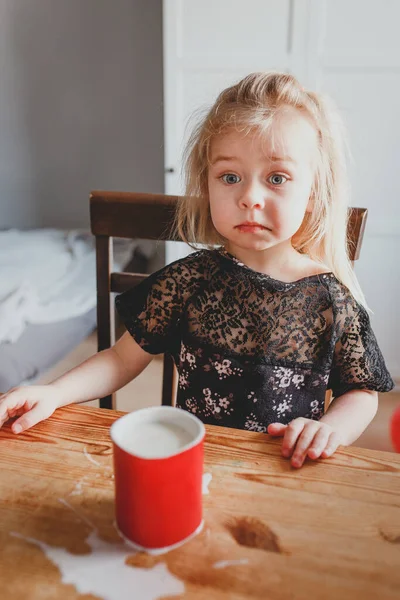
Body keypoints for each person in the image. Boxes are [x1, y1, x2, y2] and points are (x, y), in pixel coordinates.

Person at [0, 72, 394, 468]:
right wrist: (53, 392)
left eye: (277, 178)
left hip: (282, 472)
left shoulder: (330, 299)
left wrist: (331, 429)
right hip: (193, 467)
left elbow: (360, 393)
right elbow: (121, 360)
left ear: (312, 193)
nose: (250, 198)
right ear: (207, 186)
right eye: (230, 177)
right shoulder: (188, 281)